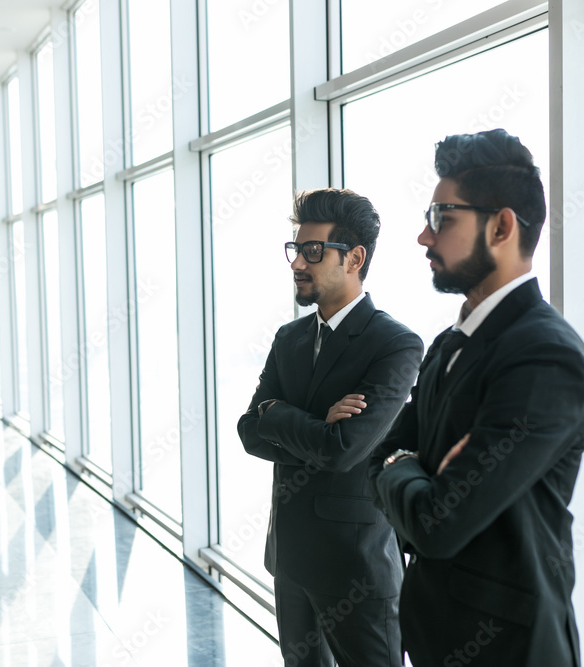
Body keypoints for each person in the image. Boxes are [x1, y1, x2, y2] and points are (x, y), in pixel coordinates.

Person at [369, 129, 584, 666]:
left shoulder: (545, 356)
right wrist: (409, 465)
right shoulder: (449, 344)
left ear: (501, 225)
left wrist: (400, 463)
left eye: (442, 217)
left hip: (509, 648)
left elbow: (438, 523)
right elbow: (377, 455)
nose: (424, 237)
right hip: (435, 633)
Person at [237, 188, 423, 666]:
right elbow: (247, 431)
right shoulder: (290, 338)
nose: (298, 262)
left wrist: (278, 413)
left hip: (356, 570)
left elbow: (345, 449)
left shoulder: (395, 345)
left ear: (355, 257)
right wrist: (317, 426)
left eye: (313, 251)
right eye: (296, 249)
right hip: (290, 561)